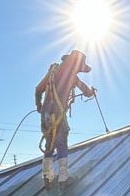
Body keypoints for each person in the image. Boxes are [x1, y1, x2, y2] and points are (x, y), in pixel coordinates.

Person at [35, 50, 95, 188]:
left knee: (49, 144)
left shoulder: (52, 72)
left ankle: (47, 176)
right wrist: (92, 92)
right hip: (58, 113)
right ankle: (63, 178)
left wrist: (39, 105)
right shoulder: (72, 77)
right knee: (61, 142)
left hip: (45, 115)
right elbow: (86, 92)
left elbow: (38, 89)